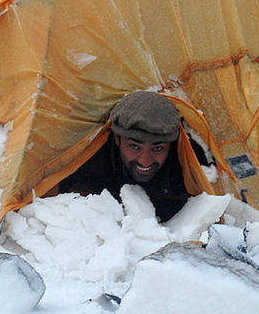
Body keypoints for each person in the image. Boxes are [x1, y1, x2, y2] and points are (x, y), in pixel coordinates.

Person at [57, 90, 204, 222]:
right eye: (134, 146)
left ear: (171, 145)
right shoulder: (92, 161)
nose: (145, 161)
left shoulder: (189, 169)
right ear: (117, 139)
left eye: (157, 148)